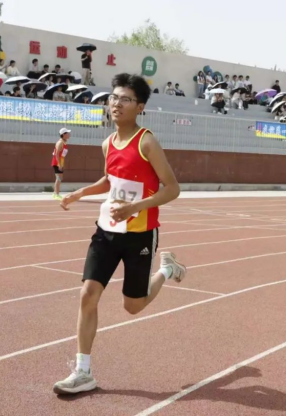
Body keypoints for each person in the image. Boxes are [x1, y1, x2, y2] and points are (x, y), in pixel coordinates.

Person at [53, 73, 187, 395]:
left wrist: (135, 208)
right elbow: (109, 181)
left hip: (139, 234)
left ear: (139, 107)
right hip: (107, 230)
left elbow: (172, 189)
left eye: (125, 99)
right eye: (113, 97)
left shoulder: (146, 142)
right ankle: (83, 372)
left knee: (133, 306)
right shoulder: (107, 143)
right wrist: (80, 193)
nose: (116, 104)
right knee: (88, 294)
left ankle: (167, 271)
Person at [51, 128, 70, 201]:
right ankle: (56, 194)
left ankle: (55, 193)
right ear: (63, 134)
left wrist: (61, 164)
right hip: (57, 163)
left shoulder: (64, 142)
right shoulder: (60, 143)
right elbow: (56, 154)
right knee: (58, 178)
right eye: (67, 133)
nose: (69, 134)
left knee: (60, 178)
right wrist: (59, 164)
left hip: (60, 162)